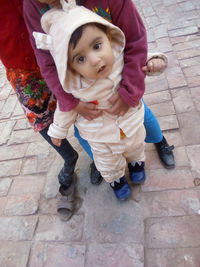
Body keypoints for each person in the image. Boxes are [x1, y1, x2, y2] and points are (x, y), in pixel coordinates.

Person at [33, 0, 168, 201]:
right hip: (100, 138)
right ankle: (117, 181)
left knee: (136, 148)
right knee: (108, 164)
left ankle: (137, 164)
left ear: (109, 37)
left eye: (97, 46)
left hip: (131, 124)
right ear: (68, 67)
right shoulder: (75, 86)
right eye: (80, 59)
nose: (95, 60)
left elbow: (143, 60)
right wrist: (58, 131)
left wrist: (156, 62)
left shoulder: (118, 59)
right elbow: (65, 109)